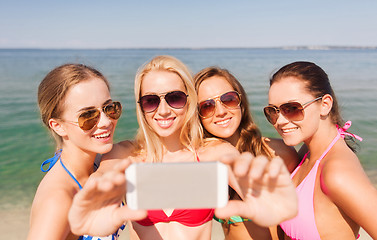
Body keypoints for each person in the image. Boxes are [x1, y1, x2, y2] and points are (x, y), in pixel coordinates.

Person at [68, 55, 298, 240]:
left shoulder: (213, 152)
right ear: (141, 106)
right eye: (151, 100)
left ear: (189, 101)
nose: (164, 110)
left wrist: (265, 198)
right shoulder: (125, 154)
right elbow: (96, 182)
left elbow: (242, 177)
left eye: (174, 98)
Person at [27, 64, 145, 240]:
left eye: (109, 108)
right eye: (88, 116)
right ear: (58, 126)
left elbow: (132, 146)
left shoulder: (100, 161)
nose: (105, 122)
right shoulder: (58, 199)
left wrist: (103, 171)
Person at [264, 61, 377, 239]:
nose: (280, 121)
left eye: (292, 108)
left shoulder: (337, 173)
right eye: (273, 111)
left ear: (325, 104)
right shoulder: (307, 151)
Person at [194, 67, 300, 240]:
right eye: (207, 106)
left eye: (228, 99)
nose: (220, 111)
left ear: (240, 102)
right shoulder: (204, 160)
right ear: (197, 115)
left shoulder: (279, 152)